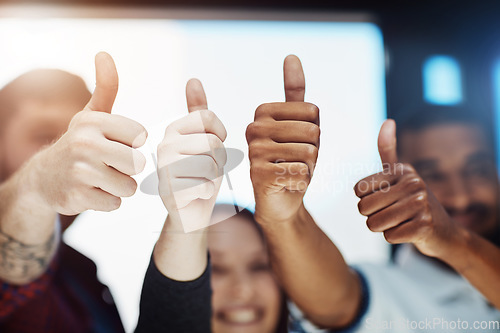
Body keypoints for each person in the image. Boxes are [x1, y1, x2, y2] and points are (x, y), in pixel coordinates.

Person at [247, 53, 500, 332]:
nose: (461, 197)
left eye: (477, 170)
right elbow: (335, 303)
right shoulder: (385, 293)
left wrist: (453, 240)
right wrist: (284, 218)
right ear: (398, 182)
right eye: (433, 175)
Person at [0, 52, 147, 332]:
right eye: (44, 136)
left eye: (77, 137)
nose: (67, 151)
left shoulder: (85, 278)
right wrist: (37, 181)